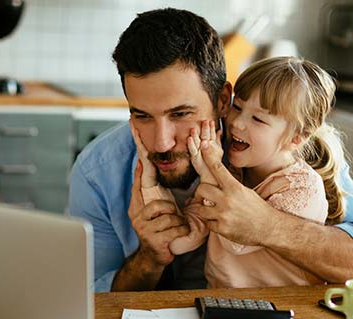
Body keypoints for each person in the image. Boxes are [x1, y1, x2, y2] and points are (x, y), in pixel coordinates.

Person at [68, 8, 353, 292]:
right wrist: (149, 258)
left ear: (222, 101)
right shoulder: (97, 172)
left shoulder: (290, 154)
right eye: (142, 116)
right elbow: (88, 301)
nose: (161, 143)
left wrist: (269, 226)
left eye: (180, 114)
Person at [134, 56, 346, 288]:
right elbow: (181, 242)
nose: (237, 123)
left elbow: (237, 239)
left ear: (296, 138)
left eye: (257, 119)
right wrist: (149, 182)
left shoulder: (302, 188)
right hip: (224, 306)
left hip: (286, 311)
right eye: (237, 107)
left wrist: (208, 170)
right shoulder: (234, 173)